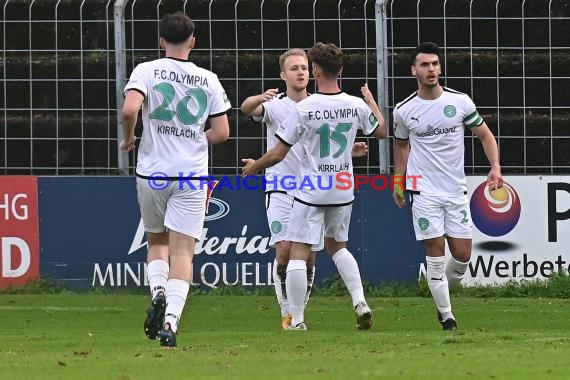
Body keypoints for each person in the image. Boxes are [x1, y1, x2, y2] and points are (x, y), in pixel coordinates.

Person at [242, 42, 387, 330]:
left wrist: (255, 166)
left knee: (299, 251)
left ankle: (295, 319)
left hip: (311, 187)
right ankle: (360, 301)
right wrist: (370, 100)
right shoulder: (354, 104)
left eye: (306, 67)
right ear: (341, 69)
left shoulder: (305, 108)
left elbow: (280, 152)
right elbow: (382, 130)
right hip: (343, 186)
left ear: (316, 70)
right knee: (339, 248)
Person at [120, 11, 231, 348]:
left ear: (161, 41)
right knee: (184, 253)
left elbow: (129, 110)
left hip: (152, 172)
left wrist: (129, 137)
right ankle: (171, 322)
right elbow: (223, 132)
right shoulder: (208, 78)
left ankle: (157, 292)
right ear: (193, 42)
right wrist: (195, 139)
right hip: (192, 175)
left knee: (156, 243)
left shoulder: (146, 70)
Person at [392, 41, 502, 330]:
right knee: (435, 251)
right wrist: (398, 181)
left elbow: (486, 136)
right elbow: (401, 148)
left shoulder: (460, 102)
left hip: (455, 190)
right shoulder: (404, 111)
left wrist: (495, 167)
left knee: (463, 256)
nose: (431, 69)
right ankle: (447, 316)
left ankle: (439, 290)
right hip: (423, 190)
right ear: (413, 70)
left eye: (435, 64)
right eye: (425, 65)